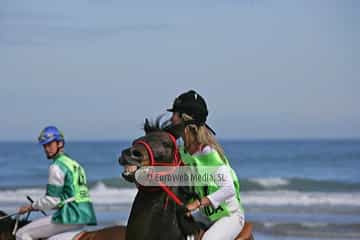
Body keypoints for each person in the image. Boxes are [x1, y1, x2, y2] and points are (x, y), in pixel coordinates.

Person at [167, 90, 244, 240]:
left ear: (185, 119)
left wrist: (197, 203)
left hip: (230, 215)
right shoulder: (183, 152)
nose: (171, 119)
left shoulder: (208, 153)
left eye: (175, 114)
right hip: (207, 214)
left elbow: (229, 189)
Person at [16, 126, 97, 240]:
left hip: (69, 215)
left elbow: (52, 200)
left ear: (60, 144)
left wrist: (31, 207)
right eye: (44, 145)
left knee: (21, 234)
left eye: (49, 145)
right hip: (85, 214)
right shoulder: (74, 164)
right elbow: (70, 195)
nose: (46, 149)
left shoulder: (56, 166)